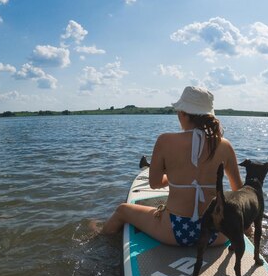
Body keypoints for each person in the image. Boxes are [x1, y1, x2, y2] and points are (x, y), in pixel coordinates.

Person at [102, 86, 243, 246]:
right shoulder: (225, 146)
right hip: (218, 234)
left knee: (122, 210)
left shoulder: (165, 140)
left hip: (176, 230)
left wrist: (177, 177)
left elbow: (154, 184)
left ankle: (99, 241)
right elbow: (239, 192)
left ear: (182, 113)